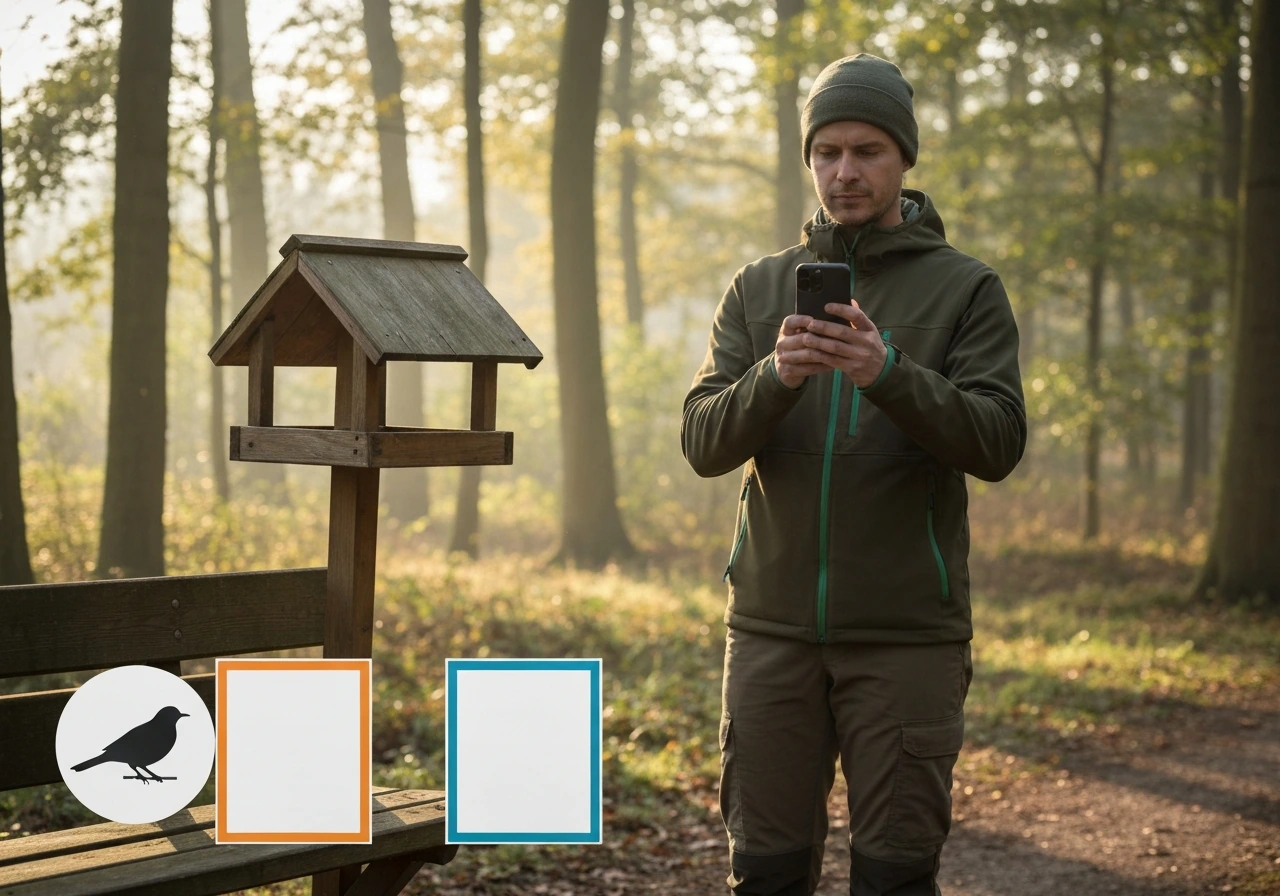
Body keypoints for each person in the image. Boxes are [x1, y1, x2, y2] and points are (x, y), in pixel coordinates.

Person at [680, 53, 1027, 896]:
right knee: (763, 874)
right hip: (770, 634)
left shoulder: (967, 288)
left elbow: (997, 442)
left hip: (907, 637)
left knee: (895, 875)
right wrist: (776, 376)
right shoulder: (759, 289)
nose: (844, 171)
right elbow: (702, 441)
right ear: (809, 159)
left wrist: (888, 372)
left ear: (904, 158)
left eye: (867, 150)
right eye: (827, 151)